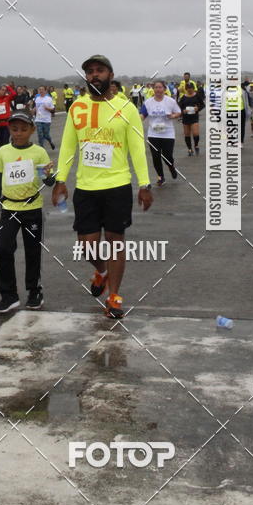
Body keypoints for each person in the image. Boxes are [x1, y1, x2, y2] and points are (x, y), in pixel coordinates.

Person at [52, 54, 152, 319]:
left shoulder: (126, 108)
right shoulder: (77, 107)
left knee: (116, 243)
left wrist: (145, 183)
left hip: (117, 185)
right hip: (86, 187)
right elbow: (67, 147)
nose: (94, 75)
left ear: (110, 74)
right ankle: (102, 271)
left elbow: (137, 149)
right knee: (87, 245)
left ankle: (115, 297)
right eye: (90, 72)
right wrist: (61, 180)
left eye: (99, 70)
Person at [0, 110, 55, 313]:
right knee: (4, 250)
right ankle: (9, 296)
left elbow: (50, 181)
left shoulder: (39, 153)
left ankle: (34, 291)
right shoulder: (4, 151)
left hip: (32, 209)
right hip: (9, 209)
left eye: (23, 129)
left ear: (32, 130)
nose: (18, 133)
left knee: (32, 251)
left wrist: (47, 175)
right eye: (14, 129)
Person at [140, 80, 181, 186]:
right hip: (153, 134)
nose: (158, 89)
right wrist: (137, 120)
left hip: (168, 133)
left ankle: (171, 167)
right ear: (153, 89)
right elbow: (142, 115)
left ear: (164, 89)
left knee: (167, 156)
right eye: (156, 87)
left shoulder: (170, 101)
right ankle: (161, 177)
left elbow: (178, 112)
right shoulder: (148, 102)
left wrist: (173, 116)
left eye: (160, 87)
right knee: (155, 156)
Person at [177, 81, 204, 156]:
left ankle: (196, 145)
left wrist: (197, 108)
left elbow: (203, 105)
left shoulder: (197, 96)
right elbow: (179, 107)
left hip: (194, 117)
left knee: (195, 133)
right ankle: (189, 149)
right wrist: (183, 111)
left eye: (191, 88)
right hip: (186, 118)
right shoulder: (183, 97)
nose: (189, 90)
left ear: (193, 88)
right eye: (188, 88)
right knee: (187, 134)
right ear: (186, 89)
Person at [32, 85, 56, 150]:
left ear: (45, 91)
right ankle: (41, 148)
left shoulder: (49, 99)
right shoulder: (37, 98)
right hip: (38, 119)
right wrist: (32, 111)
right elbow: (35, 107)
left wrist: (48, 108)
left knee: (46, 135)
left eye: (42, 89)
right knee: (40, 134)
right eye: (40, 89)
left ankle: (50, 141)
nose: (41, 91)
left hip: (46, 120)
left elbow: (53, 110)